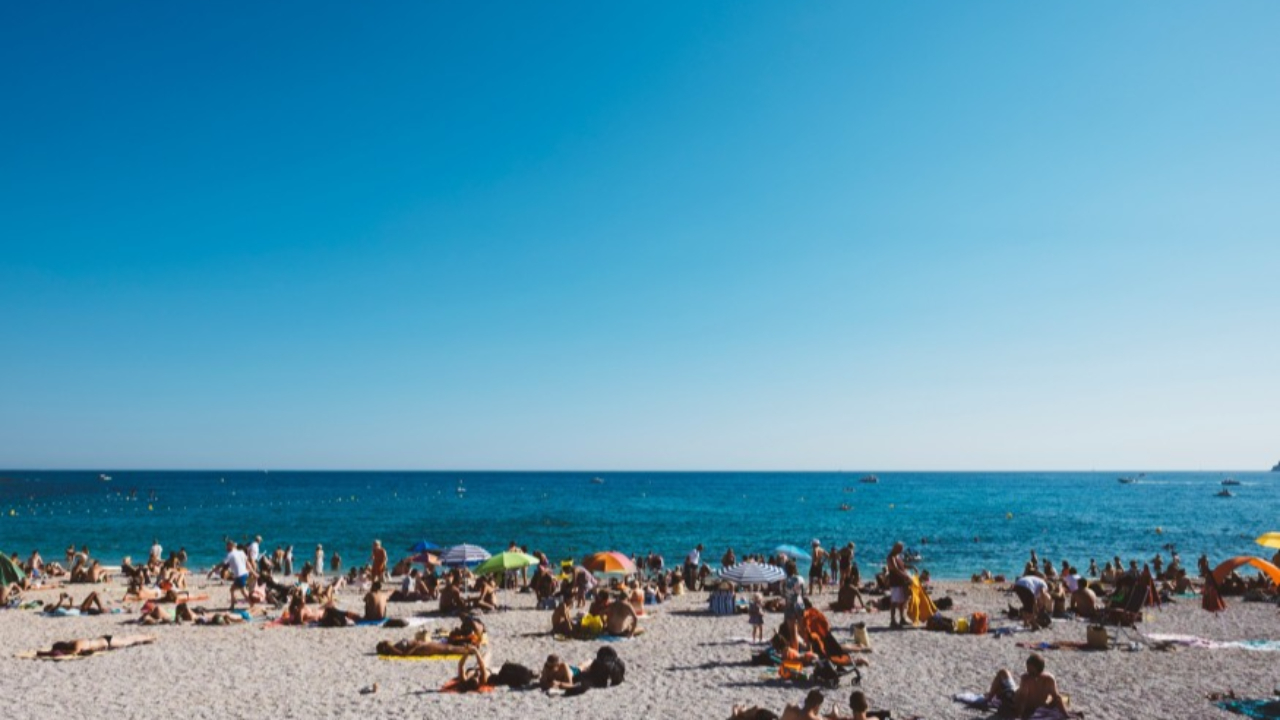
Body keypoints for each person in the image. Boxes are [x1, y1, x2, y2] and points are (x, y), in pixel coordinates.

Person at [986, 653, 1077, 719]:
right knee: (1004, 682)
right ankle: (989, 697)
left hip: (1013, 698)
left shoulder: (1026, 679)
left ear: (1037, 669)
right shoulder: (1049, 679)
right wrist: (1066, 715)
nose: (1028, 671)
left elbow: (1022, 699)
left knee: (1003, 672)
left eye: (1030, 669)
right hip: (1031, 702)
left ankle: (988, 699)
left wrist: (1018, 715)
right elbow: (1056, 697)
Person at [35, 634, 156, 658]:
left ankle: (149, 637)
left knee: (129, 641)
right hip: (104, 641)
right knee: (128, 640)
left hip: (108, 642)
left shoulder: (76, 645)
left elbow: (74, 653)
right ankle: (147, 637)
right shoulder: (72, 643)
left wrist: (47, 653)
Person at [223, 540, 255, 610]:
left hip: (240, 575)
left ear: (230, 546)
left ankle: (252, 605)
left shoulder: (230, 554)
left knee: (243, 592)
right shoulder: (241, 552)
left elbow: (223, 564)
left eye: (227, 546)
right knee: (232, 589)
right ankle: (232, 606)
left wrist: (212, 571)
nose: (226, 548)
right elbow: (248, 563)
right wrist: (253, 573)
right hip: (244, 574)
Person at [885, 542, 910, 629]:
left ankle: (902, 618)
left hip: (901, 581)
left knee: (902, 601)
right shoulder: (891, 557)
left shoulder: (897, 556)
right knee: (894, 601)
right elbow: (895, 569)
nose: (901, 550)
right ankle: (893, 620)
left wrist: (911, 567)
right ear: (895, 548)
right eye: (900, 549)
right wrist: (905, 575)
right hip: (895, 581)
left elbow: (902, 565)